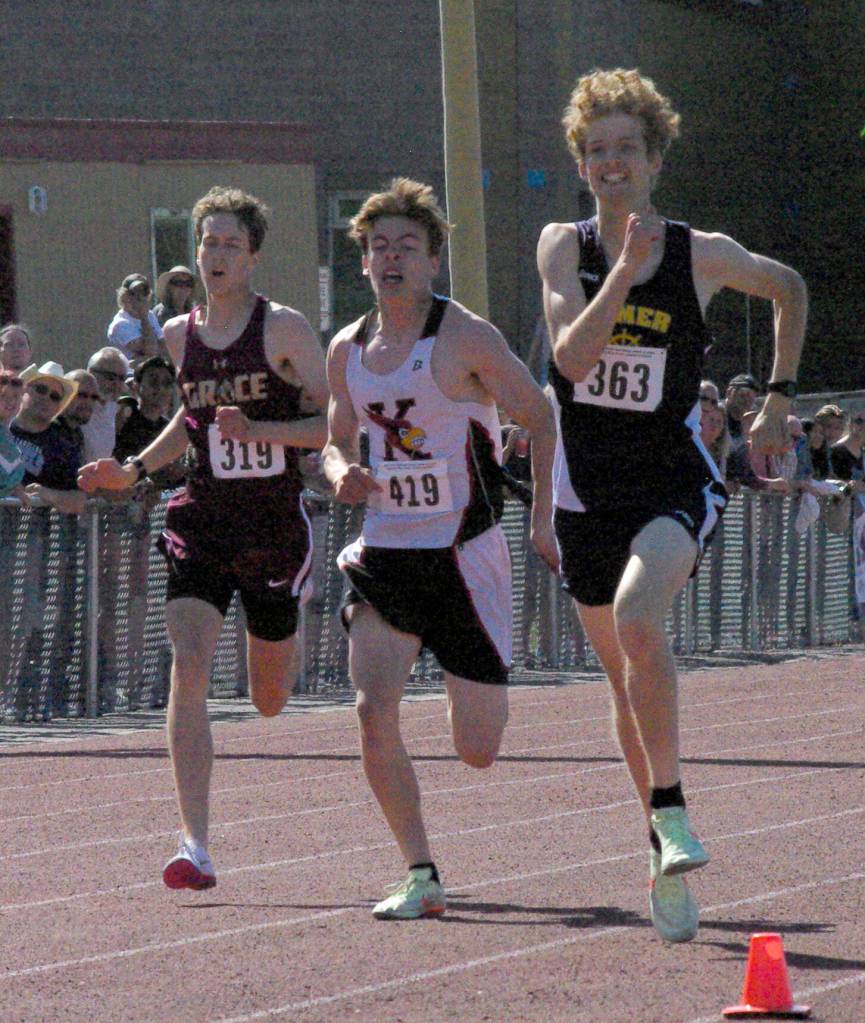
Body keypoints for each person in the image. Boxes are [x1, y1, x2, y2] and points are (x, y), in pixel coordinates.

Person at [538, 68, 807, 943]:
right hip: (586, 494)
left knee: (638, 619)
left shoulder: (702, 251)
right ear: (583, 165)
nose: (611, 164)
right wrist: (620, 272)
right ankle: (662, 831)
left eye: (627, 149)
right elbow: (573, 360)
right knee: (621, 677)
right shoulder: (560, 246)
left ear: (654, 159)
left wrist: (776, 395)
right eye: (596, 151)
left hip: (666, 480)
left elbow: (790, 289)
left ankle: (675, 812)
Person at [79, 185, 328, 890]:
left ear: (251, 258)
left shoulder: (283, 330)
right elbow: (186, 426)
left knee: (269, 696)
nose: (214, 254)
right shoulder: (180, 335)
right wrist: (132, 468)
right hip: (202, 519)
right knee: (188, 664)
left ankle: (289, 625)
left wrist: (262, 432)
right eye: (206, 241)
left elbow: (332, 425)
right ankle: (195, 842)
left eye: (228, 244)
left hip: (273, 527)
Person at [322, 177, 557, 920]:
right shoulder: (346, 349)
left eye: (406, 247)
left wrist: (544, 516)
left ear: (432, 261)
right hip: (386, 552)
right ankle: (420, 871)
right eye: (378, 247)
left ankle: (466, 683)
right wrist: (342, 472)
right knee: (370, 708)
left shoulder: (465, 337)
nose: (391, 259)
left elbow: (540, 414)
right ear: (362, 261)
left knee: (478, 747)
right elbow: (333, 439)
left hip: (465, 555)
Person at [11, 362, 85, 514]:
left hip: (35, 533)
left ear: (59, 407)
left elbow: (79, 501)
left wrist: (49, 495)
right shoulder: (3, 429)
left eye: (54, 396)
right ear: (24, 390)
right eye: (41, 389)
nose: (46, 398)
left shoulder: (63, 447)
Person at [114, 355, 185, 490]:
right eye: (153, 382)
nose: (161, 389)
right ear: (136, 387)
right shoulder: (122, 420)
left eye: (167, 383)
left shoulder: (169, 429)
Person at [81, 347, 131, 462]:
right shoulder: (73, 405)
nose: (116, 384)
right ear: (90, 373)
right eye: (110, 377)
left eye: (121, 378)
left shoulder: (115, 410)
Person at [107, 274, 164, 363]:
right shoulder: (120, 324)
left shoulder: (150, 315)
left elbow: (163, 345)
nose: (139, 298)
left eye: (143, 293)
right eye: (133, 293)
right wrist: (144, 318)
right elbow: (151, 351)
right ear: (123, 296)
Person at [0, 369, 28, 502]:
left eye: (16, 396)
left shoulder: (7, 433)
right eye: (3, 396)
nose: (10, 401)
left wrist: (18, 489)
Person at [724, 373, 760, 451]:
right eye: (742, 395)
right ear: (729, 393)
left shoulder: (753, 418)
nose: (747, 400)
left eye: (751, 396)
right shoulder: (718, 415)